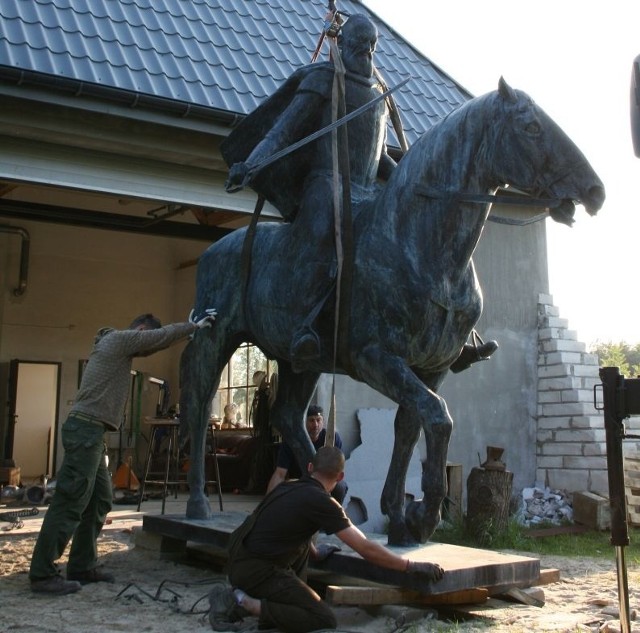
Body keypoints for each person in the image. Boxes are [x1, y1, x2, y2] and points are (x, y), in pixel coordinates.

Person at [222, 13, 497, 372]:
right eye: (360, 46)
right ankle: (304, 325)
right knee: (322, 236)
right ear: (344, 44)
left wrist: (411, 186)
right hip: (326, 187)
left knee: (423, 237)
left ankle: (455, 339)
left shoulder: (380, 92)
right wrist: (251, 163)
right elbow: (282, 133)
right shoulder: (322, 80)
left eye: (372, 47)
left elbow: (378, 155)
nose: (367, 54)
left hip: (367, 192)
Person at [29, 308, 217, 595]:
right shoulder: (118, 340)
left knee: (101, 499)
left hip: (93, 433)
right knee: (70, 501)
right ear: (140, 331)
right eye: (145, 339)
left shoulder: (115, 348)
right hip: (85, 431)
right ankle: (42, 574)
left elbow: (156, 341)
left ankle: (82, 565)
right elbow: (159, 337)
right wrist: (190, 327)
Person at [208, 446, 444, 633]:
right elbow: (364, 547)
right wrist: (411, 566)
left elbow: (282, 528)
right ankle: (244, 603)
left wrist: (314, 552)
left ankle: (266, 603)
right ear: (340, 476)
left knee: (302, 546)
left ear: (310, 467)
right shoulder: (322, 502)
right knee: (322, 617)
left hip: (239, 560)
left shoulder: (287, 487)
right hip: (257, 570)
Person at [267, 404, 347, 504]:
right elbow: (280, 473)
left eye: (318, 420)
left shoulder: (333, 438)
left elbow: (337, 471)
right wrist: (267, 502)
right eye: (311, 420)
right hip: (299, 481)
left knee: (340, 487)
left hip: (325, 480)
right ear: (304, 422)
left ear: (323, 421)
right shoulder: (291, 440)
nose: (316, 424)